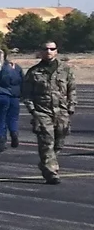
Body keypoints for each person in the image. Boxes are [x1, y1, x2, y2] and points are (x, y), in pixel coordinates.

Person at [21, 41, 76, 184]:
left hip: (62, 112)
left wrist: (71, 106)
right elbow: (26, 94)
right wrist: (33, 110)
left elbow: (72, 89)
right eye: (46, 49)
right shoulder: (34, 72)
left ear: (56, 51)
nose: (49, 51)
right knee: (47, 142)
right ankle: (51, 171)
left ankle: (46, 162)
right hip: (42, 112)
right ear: (41, 52)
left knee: (59, 142)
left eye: (52, 49)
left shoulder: (65, 70)